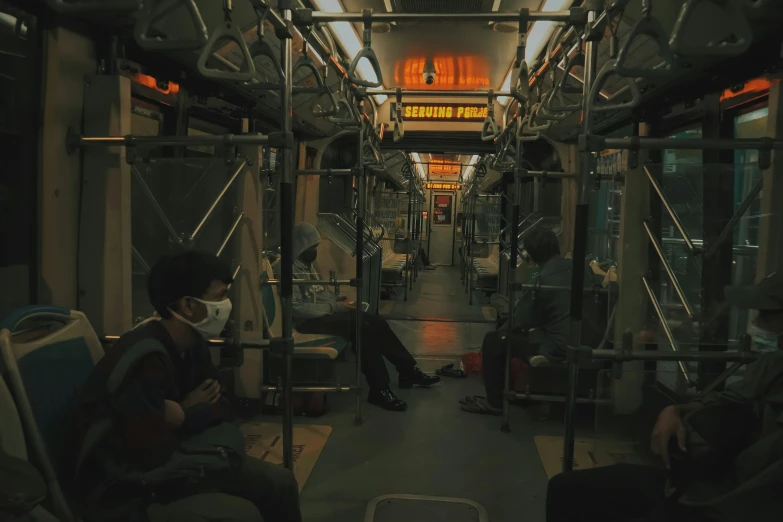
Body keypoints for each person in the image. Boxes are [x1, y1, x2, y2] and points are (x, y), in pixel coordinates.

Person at [67, 251, 301, 522]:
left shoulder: (194, 345)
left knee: (280, 483)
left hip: (180, 455)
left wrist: (182, 414)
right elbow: (150, 453)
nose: (226, 305)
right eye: (219, 297)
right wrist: (190, 414)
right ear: (188, 306)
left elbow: (225, 408)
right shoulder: (147, 361)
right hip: (128, 488)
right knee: (242, 514)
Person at [545, 271, 783, 522]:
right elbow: (732, 399)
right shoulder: (773, 365)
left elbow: (757, 492)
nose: (757, 323)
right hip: (702, 483)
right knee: (566, 488)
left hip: (723, 501)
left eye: (767, 316)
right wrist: (677, 411)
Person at [292, 222, 439, 411]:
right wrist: (334, 306)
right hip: (306, 322)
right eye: (312, 247)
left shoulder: (307, 265)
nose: (315, 251)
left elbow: (318, 293)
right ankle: (379, 389)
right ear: (301, 246)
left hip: (323, 314)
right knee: (362, 328)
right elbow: (296, 308)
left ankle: (407, 369)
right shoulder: (289, 269)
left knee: (375, 321)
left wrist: (338, 300)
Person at [461, 227, 571, 415]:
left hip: (559, 346)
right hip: (587, 339)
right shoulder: (578, 268)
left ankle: (494, 403)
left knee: (494, 341)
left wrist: (501, 332)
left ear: (533, 256)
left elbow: (520, 321)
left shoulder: (542, 280)